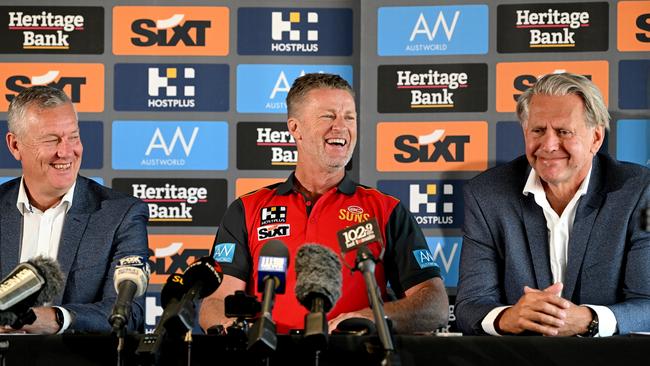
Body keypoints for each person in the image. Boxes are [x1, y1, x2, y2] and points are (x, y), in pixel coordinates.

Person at [199, 73, 448, 334]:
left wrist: (371, 317)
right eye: (328, 116)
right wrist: (235, 329)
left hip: (357, 357)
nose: (341, 127)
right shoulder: (247, 209)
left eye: (349, 117)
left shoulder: (386, 210)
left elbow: (435, 306)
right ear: (295, 128)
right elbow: (216, 302)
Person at [455, 73, 650, 336]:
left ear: (595, 138)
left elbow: (646, 303)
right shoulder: (487, 195)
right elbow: (469, 307)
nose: (548, 145)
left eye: (563, 132)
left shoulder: (638, 191)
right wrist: (507, 317)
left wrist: (588, 320)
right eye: (538, 130)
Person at [0, 85, 149, 334]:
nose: (66, 151)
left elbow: (128, 312)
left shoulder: (120, 215)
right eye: (51, 139)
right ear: (15, 145)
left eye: (73, 137)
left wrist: (56, 319)